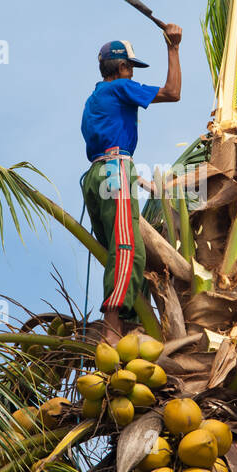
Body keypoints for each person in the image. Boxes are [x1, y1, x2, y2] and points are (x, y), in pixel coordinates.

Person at [80, 25, 182, 343]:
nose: (131, 75)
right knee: (128, 249)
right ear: (123, 68)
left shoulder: (94, 98)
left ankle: (132, 326)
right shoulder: (120, 88)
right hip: (115, 171)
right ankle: (113, 328)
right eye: (131, 69)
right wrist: (173, 48)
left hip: (95, 177)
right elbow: (173, 92)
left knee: (116, 249)